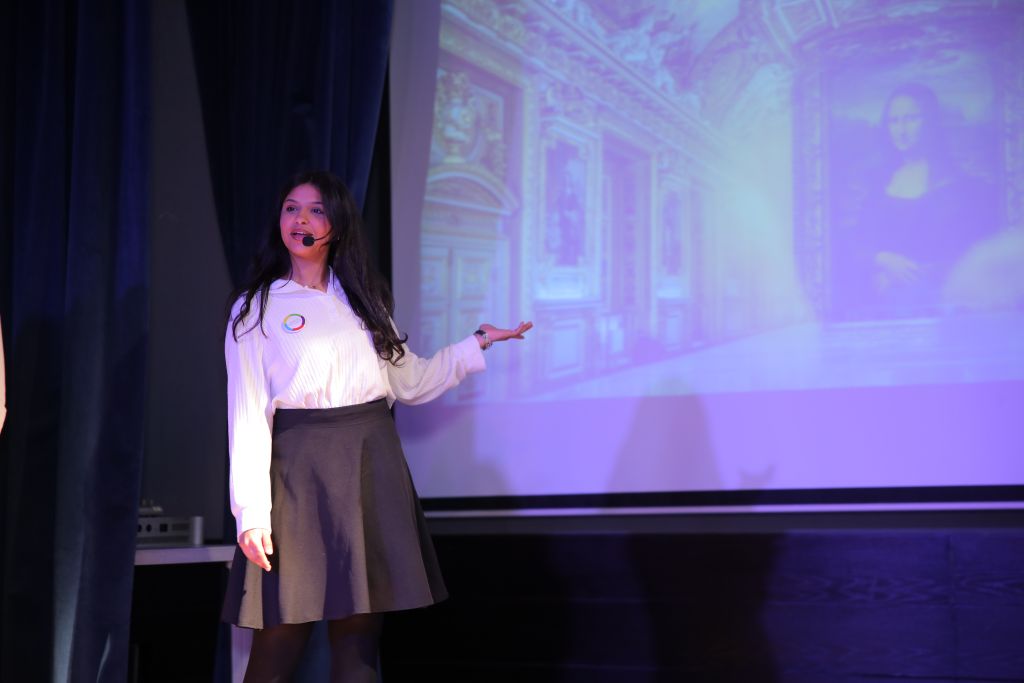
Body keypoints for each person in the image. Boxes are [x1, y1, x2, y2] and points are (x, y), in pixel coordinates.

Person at [220, 170, 531, 682]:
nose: (300, 220)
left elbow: (410, 381)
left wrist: (477, 341)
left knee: (360, 630)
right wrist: (251, 513)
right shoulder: (257, 308)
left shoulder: (363, 299)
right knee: (283, 625)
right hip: (299, 472)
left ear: (338, 224)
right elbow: (248, 414)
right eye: (291, 208)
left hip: (369, 460)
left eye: (316, 210)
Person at [844, 83, 997, 318]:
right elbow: (857, 245)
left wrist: (909, 275)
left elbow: (970, 254)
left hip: (942, 303)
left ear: (930, 122)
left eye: (911, 119)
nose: (901, 130)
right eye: (894, 121)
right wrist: (883, 260)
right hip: (883, 305)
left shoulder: (955, 185)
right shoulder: (878, 187)